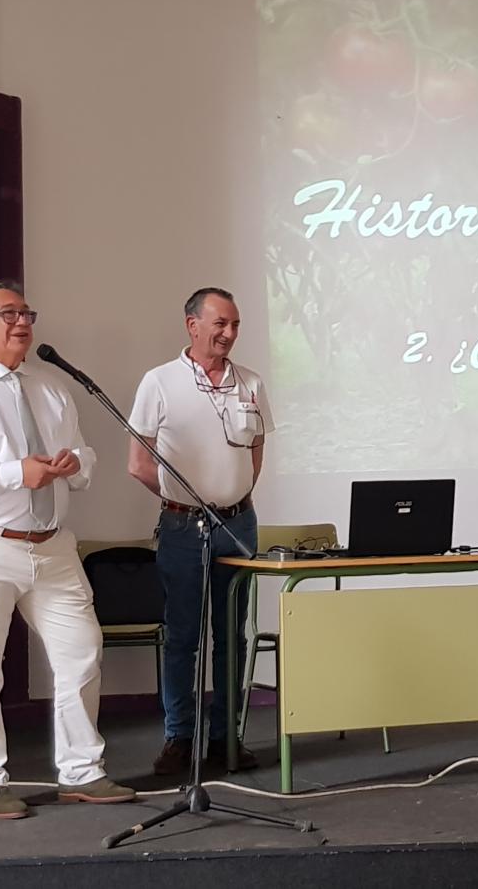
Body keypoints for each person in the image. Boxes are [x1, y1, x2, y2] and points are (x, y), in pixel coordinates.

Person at [0, 280, 135, 819]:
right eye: (8, 314)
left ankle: (82, 771)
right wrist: (20, 472)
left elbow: (85, 457)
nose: (22, 323)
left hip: (53, 546)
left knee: (82, 651)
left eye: (26, 313)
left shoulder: (51, 388)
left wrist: (72, 466)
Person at [128, 287, 271, 776]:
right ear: (192, 325)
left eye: (235, 325)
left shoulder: (250, 382)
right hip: (183, 526)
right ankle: (178, 738)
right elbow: (139, 463)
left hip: (238, 524)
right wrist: (182, 501)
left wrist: (235, 494)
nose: (229, 334)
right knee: (183, 636)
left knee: (231, 634)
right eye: (220, 324)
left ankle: (225, 738)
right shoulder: (159, 382)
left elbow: (256, 451)